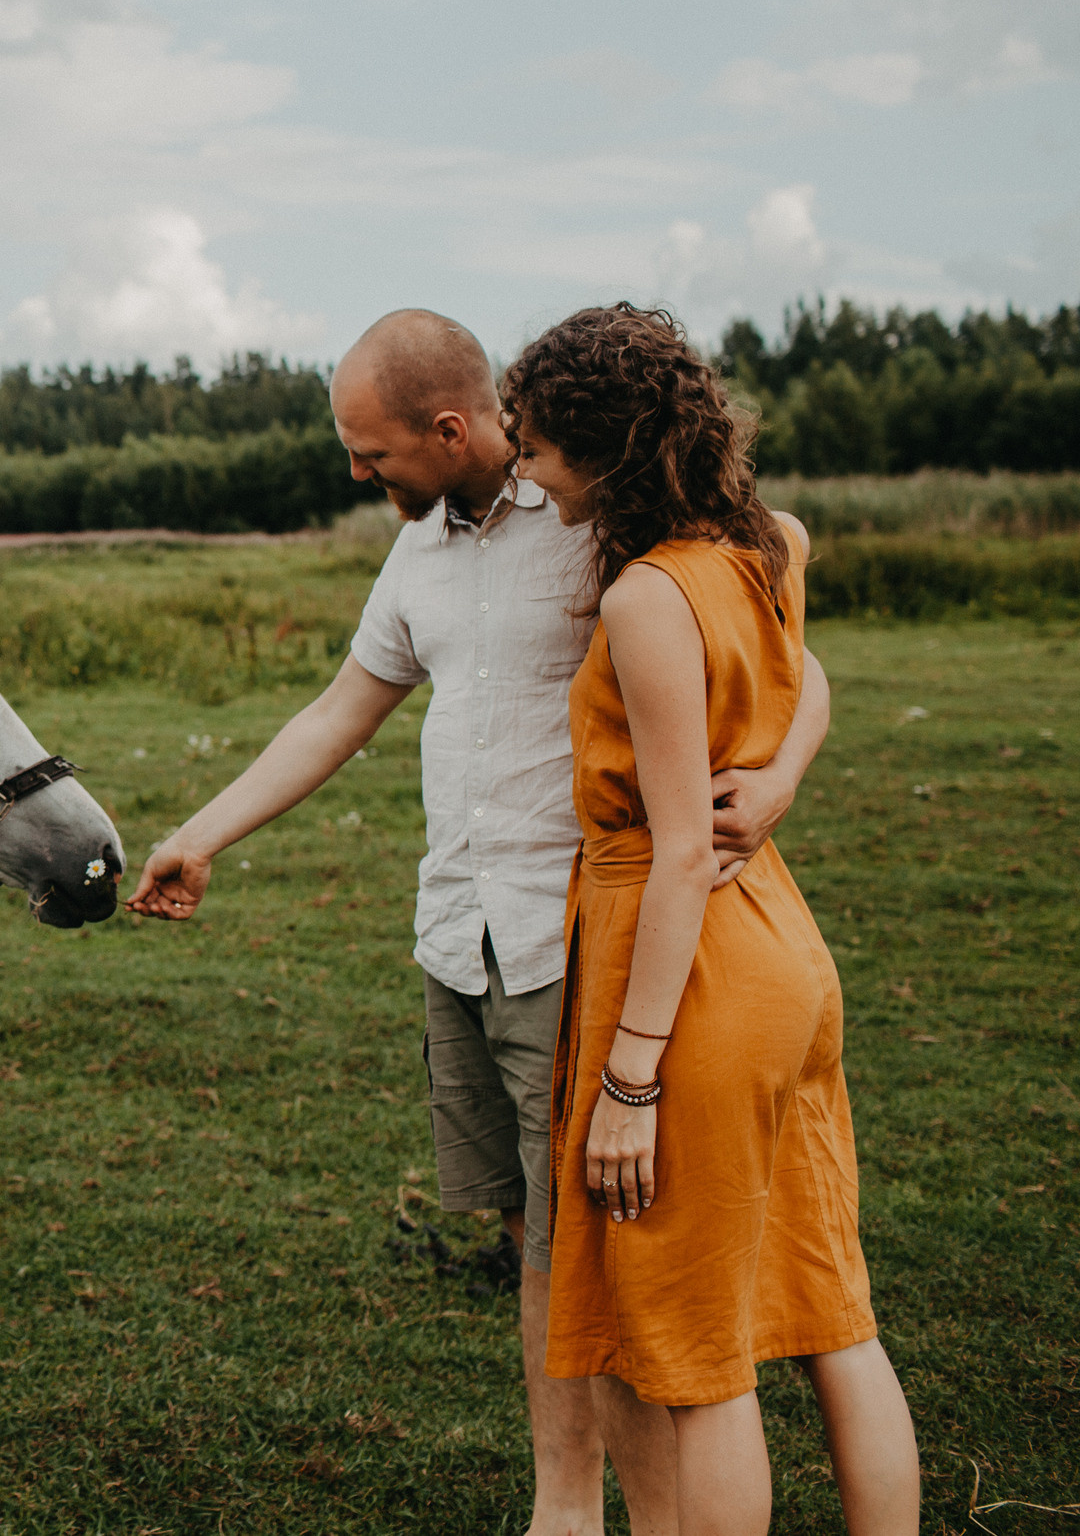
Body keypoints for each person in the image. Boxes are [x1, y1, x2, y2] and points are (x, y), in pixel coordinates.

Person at [127, 308, 827, 1536]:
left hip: (580, 942)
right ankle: (563, 1506)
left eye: (371, 452)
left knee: (603, 1261)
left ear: (448, 429)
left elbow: (778, 615)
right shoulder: (417, 555)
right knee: (537, 1249)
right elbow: (340, 709)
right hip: (459, 935)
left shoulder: (591, 513)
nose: (356, 474)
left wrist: (779, 777)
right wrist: (203, 832)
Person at [505, 304, 919, 1535]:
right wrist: (784, 773)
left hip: (690, 968)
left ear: (602, 449)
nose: (524, 474)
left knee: (697, 1360)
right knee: (832, 1310)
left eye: (534, 449)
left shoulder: (644, 598)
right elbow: (810, 675)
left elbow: (682, 850)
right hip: (787, 946)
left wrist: (628, 1080)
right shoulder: (769, 542)